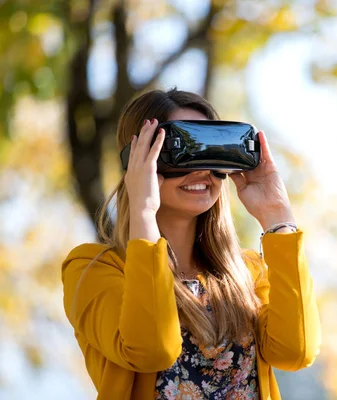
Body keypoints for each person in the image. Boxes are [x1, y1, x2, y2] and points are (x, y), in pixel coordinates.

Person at [61, 89, 321, 399]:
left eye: (210, 152)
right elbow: (151, 350)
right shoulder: (93, 268)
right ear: (137, 160)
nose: (200, 170)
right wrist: (144, 212)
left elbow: (296, 351)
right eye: (183, 150)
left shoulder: (247, 273)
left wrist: (277, 215)